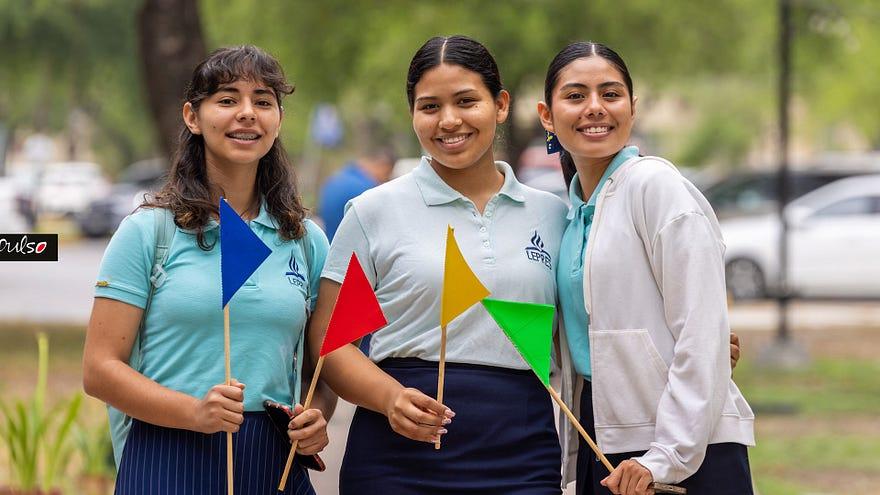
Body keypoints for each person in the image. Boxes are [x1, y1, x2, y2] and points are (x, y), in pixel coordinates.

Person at [310, 35, 568, 494]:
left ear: (501, 105)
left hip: (523, 454)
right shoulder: (372, 211)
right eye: (430, 107)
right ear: (413, 115)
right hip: (397, 460)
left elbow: (589, 322)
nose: (449, 120)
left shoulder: (552, 215)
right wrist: (389, 399)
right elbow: (331, 343)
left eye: (466, 101)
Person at [82, 45, 334, 495]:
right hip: (167, 453)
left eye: (263, 101)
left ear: (278, 119)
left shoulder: (306, 239)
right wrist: (194, 412)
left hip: (274, 465)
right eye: (226, 99)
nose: (247, 114)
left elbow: (324, 367)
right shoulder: (148, 232)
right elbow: (99, 369)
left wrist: (316, 415)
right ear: (192, 116)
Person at [538, 42, 755, 495]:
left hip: (683, 446)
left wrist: (667, 455)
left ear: (633, 108)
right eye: (576, 96)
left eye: (610, 94)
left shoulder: (656, 187)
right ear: (546, 116)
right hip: (607, 437)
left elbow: (700, 332)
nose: (594, 108)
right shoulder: (572, 214)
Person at [318, 143, 396, 241]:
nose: (385, 180)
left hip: (331, 244)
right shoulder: (367, 189)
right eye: (387, 174)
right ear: (382, 165)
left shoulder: (335, 178)